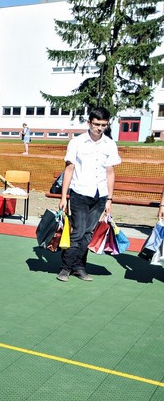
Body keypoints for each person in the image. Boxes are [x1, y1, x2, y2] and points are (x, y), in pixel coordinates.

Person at [56, 106, 121, 282]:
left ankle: (79, 266)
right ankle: (65, 268)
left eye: (104, 125)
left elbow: (110, 173)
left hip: (100, 196)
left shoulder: (110, 144)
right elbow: (69, 169)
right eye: (96, 124)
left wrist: (109, 199)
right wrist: (64, 197)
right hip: (80, 193)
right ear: (89, 122)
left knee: (88, 233)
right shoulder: (76, 142)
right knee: (77, 232)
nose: (99, 128)